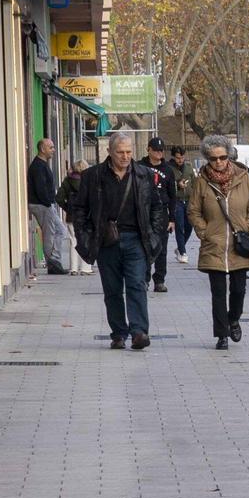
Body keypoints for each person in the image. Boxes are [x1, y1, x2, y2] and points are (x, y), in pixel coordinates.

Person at [69, 131, 170, 350]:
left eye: (128, 152)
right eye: (120, 152)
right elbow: (79, 209)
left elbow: (156, 207)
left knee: (136, 284)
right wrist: (85, 236)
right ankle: (118, 333)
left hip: (136, 239)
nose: (125, 156)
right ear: (109, 152)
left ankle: (139, 332)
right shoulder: (93, 176)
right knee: (113, 289)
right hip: (106, 241)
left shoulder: (143, 174)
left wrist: (154, 233)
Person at [185, 135, 249, 351]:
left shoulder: (243, 177)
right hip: (214, 243)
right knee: (218, 293)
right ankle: (221, 335)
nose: (218, 162)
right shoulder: (202, 181)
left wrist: (248, 225)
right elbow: (193, 210)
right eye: (213, 158)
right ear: (207, 159)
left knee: (238, 289)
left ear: (228, 156)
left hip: (240, 243)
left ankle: (234, 319)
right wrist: (204, 231)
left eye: (222, 157)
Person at [27, 138, 69, 275]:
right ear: (43, 149)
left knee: (60, 230)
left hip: (45, 204)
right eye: (51, 147)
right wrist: (48, 202)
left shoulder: (42, 164)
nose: (53, 150)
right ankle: (52, 263)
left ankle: (54, 260)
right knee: (50, 234)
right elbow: (40, 188)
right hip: (42, 205)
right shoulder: (38, 166)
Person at [143, 137, 175, 292]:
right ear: (148, 149)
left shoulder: (168, 169)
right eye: (155, 150)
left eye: (161, 150)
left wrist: (172, 219)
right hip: (144, 211)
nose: (159, 153)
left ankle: (160, 280)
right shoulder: (139, 166)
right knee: (144, 247)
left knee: (161, 248)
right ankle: (144, 278)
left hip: (162, 212)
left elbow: (173, 195)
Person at [56, 159, 93, 275]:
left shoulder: (68, 181)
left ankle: (73, 268)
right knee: (87, 240)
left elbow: (59, 198)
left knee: (73, 240)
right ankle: (86, 268)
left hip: (72, 215)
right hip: (86, 215)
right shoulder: (89, 181)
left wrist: (67, 208)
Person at [168, 144, 195, 261]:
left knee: (189, 226)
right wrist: (178, 185)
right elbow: (167, 186)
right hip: (176, 200)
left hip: (189, 200)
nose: (180, 160)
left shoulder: (188, 167)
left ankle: (180, 247)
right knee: (180, 226)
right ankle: (183, 252)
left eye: (182, 157)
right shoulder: (169, 168)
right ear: (174, 157)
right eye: (178, 158)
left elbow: (194, 183)